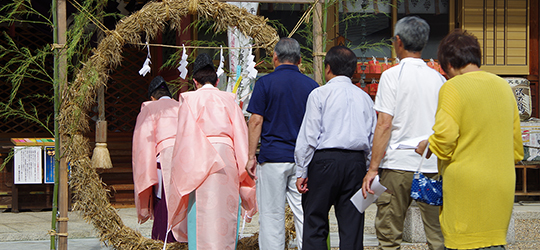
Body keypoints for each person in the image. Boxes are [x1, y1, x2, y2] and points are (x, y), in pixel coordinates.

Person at [415, 29, 524, 250]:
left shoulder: (453, 87)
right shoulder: (504, 87)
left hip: (465, 184)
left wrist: (429, 145)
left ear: (448, 65)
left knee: (464, 243)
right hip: (501, 182)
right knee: (493, 242)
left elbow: (445, 140)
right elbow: (516, 148)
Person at [361, 16, 445, 250]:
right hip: (430, 163)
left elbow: (384, 123)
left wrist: (373, 168)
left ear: (398, 42)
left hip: (397, 163)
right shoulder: (438, 78)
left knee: (389, 235)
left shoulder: (392, 75)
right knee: (437, 236)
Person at [165, 53, 257, 249]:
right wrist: (246, 167)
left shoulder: (188, 99)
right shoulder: (229, 99)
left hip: (197, 161)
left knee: (199, 213)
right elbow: (240, 137)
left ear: (195, 81)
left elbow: (182, 140)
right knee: (226, 211)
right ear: (216, 81)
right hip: (226, 157)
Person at [295, 45, 377, 250]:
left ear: (328, 68)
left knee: (315, 222)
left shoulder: (320, 94)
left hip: (324, 162)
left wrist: (301, 170)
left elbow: (309, 136)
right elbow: (372, 138)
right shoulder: (365, 98)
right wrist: (369, 170)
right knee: (352, 225)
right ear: (354, 70)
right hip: (356, 163)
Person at [245, 37, 318, 249]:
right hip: (303, 160)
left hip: (272, 157)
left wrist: (251, 156)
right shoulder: (312, 86)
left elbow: (256, 121)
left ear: (274, 58)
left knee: (271, 215)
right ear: (299, 60)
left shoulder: (265, 83)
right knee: (304, 213)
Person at [132, 76, 182, 242]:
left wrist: (145, 173)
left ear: (152, 97)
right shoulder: (182, 106)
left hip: (162, 161)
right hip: (185, 159)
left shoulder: (149, 108)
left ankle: (164, 241)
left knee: (164, 206)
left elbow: (142, 145)